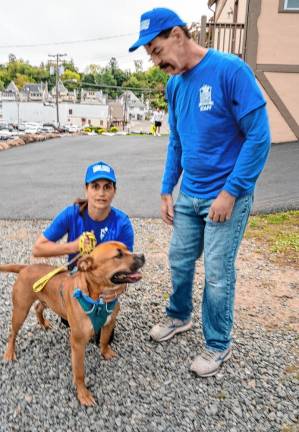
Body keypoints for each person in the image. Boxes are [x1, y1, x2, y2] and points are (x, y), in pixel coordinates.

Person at [129, 7, 271, 377]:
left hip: (226, 195)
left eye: (157, 51)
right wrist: (166, 190)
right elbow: (176, 140)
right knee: (179, 259)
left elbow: (259, 136)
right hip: (190, 194)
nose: (156, 61)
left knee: (217, 272)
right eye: (151, 56)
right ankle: (179, 316)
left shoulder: (230, 71)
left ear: (178, 35)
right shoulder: (174, 85)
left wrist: (231, 192)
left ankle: (218, 344)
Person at [32, 160, 134, 332]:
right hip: (76, 281)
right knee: (74, 326)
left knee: (103, 333)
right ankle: (48, 304)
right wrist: (74, 246)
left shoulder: (122, 223)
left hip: (105, 285)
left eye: (107, 187)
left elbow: (127, 268)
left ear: (114, 191)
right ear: (86, 189)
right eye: (95, 186)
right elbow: (38, 248)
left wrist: (117, 290)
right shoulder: (72, 214)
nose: (101, 193)